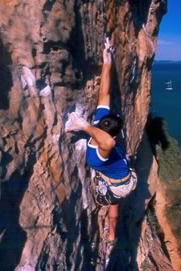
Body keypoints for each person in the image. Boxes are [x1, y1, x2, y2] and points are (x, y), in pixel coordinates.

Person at [65, 37, 136, 244]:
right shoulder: (100, 124)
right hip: (122, 171)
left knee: (111, 203)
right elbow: (104, 92)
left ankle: (111, 233)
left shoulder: (98, 157)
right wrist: (107, 61)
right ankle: (113, 235)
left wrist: (85, 126)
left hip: (121, 184)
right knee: (115, 208)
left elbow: (108, 144)